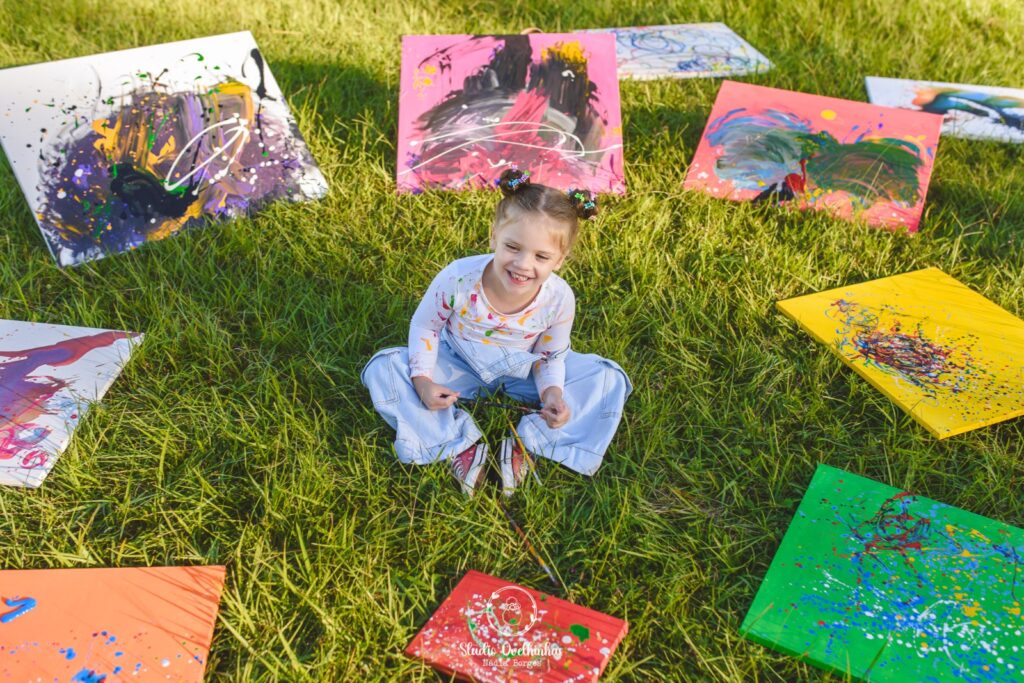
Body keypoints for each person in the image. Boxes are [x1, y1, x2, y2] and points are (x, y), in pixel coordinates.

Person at [361, 169, 631, 496]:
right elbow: (425, 327)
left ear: (560, 259)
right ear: (494, 237)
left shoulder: (559, 298)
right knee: (384, 368)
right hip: (457, 365)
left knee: (608, 379)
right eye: (512, 247)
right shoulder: (458, 278)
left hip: (523, 370)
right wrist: (422, 382)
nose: (522, 264)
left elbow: (550, 355)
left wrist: (552, 395)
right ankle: (456, 444)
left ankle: (527, 443)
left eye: (541, 256)